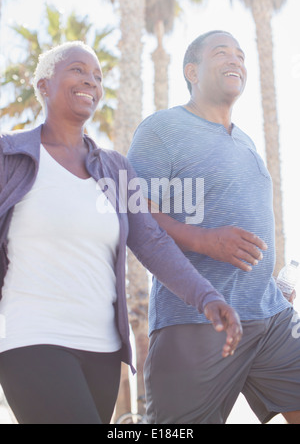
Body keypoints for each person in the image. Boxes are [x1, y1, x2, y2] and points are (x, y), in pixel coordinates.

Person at [0, 41, 242, 425]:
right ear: (44, 85)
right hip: (33, 340)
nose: (91, 83)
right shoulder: (9, 156)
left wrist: (207, 297)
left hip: (104, 352)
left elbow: (152, 242)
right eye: (78, 70)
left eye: (97, 77)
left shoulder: (115, 169)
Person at [127, 30, 300, 424]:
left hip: (271, 315)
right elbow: (131, 210)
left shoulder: (247, 143)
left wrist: (268, 283)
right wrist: (203, 240)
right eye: (221, 53)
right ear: (192, 71)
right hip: (195, 320)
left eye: (240, 54)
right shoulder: (161, 129)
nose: (235, 60)